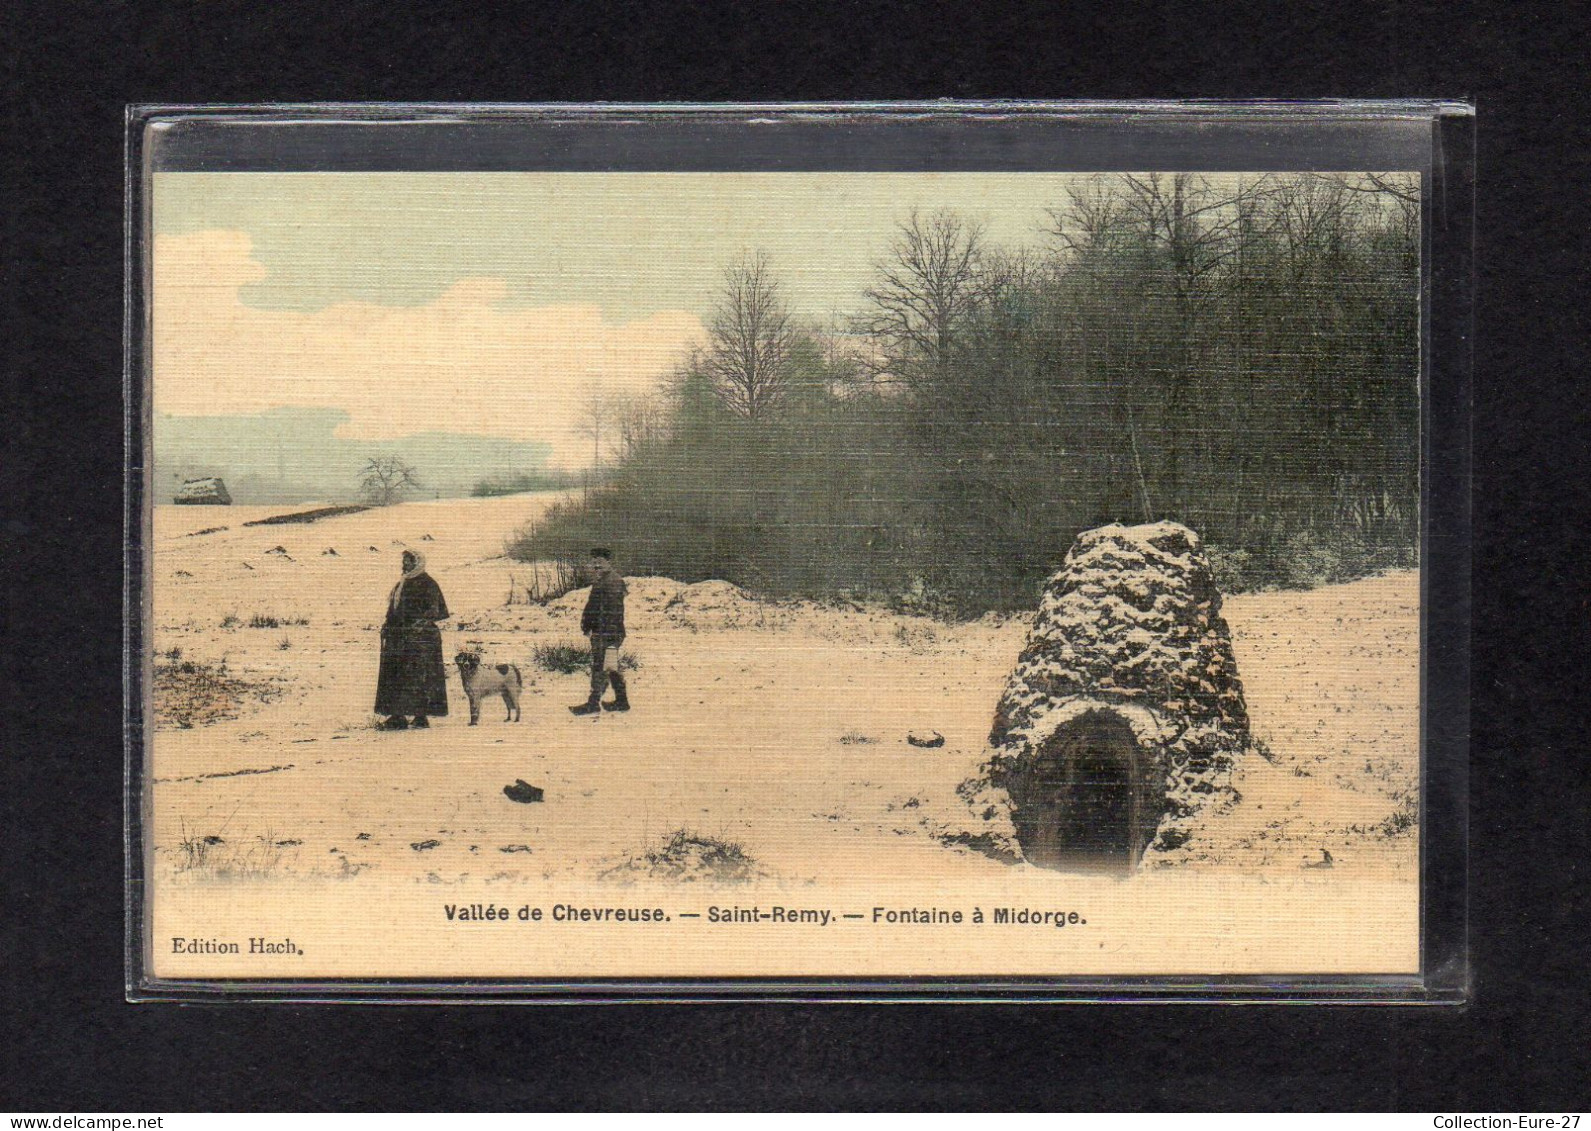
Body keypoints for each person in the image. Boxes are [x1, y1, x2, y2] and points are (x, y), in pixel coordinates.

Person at [375, 549, 450, 729]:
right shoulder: (401, 583)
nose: (404, 564)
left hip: (421, 640)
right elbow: (394, 608)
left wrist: (417, 627)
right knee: (396, 675)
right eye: (404, 560)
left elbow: (433, 610)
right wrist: (387, 625)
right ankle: (397, 715)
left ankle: (420, 715)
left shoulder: (428, 583)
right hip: (398, 637)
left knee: (418, 676)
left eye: (408, 561)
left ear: (417, 562)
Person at [570, 546, 629, 715]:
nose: (596, 565)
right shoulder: (604, 580)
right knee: (610, 666)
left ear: (608, 562)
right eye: (594, 562)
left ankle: (593, 703)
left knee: (599, 666)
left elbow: (611, 611)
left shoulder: (612, 581)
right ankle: (622, 701)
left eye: (600, 562)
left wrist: (597, 630)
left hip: (607, 633)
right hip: (609, 632)